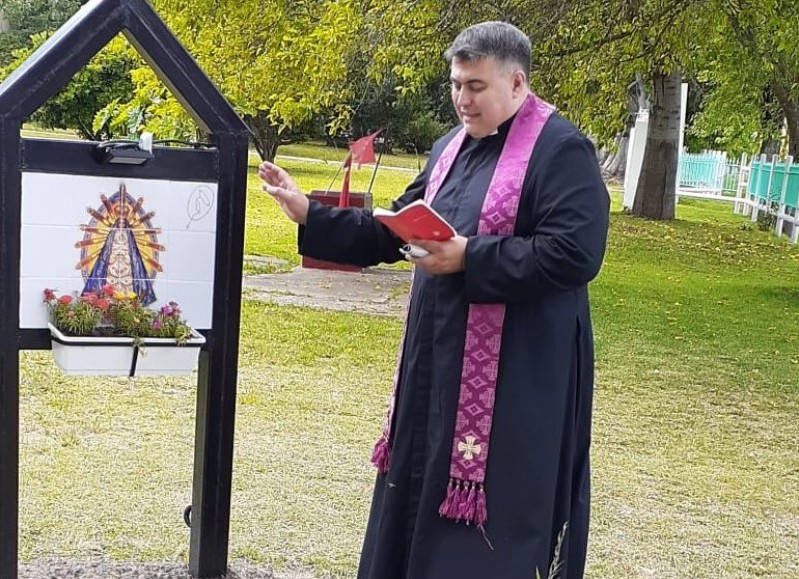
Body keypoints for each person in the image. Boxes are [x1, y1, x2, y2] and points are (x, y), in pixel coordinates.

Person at [259, 21, 609, 579]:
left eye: (475, 86)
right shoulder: (449, 148)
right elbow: (395, 229)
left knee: (488, 531)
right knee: (417, 493)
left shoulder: (560, 150)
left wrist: (471, 257)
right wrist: (310, 213)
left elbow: (575, 253)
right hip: (434, 366)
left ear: (517, 85)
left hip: (517, 381)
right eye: (455, 85)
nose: (461, 100)